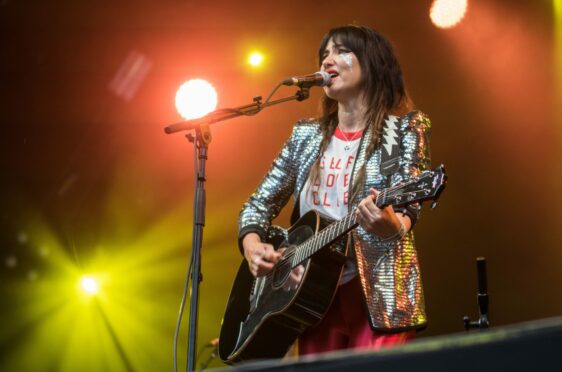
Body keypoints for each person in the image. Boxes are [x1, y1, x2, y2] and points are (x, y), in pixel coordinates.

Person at [238, 25, 431, 356]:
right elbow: (258, 204)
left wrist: (392, 226)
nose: (328, 60)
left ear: (373, 63)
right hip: (310, 302)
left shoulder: (404, 130)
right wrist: (253, 246)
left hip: (379, 295)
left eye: (342, 51)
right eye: (324, 53)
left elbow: (409, 201)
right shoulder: (305, 136)